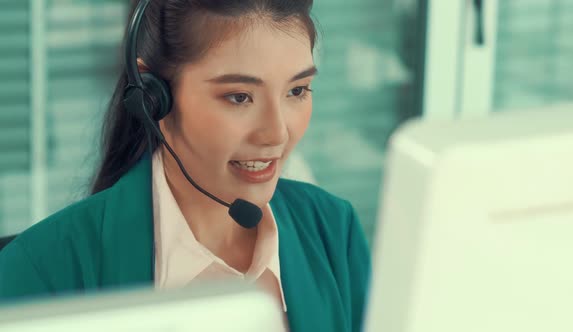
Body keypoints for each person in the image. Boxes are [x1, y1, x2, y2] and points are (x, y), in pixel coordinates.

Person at [0, 1, 371, 331]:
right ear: (152, 98)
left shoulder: (334, 231)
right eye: (239, 97)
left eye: (297, 91)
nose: (276, 134)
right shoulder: (39, 272)